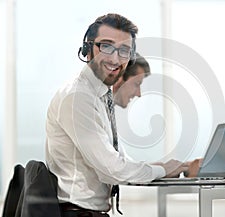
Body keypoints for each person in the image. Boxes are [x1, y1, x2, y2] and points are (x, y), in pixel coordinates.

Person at [45, 13, 188, 217]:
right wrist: (163, 170)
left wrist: (164, 167)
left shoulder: (100, 94)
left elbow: (118, 159)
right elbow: (112, 169)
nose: (115, 58)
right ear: (87, 49)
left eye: (124, 51)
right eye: (106, 46)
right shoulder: (79, 98)